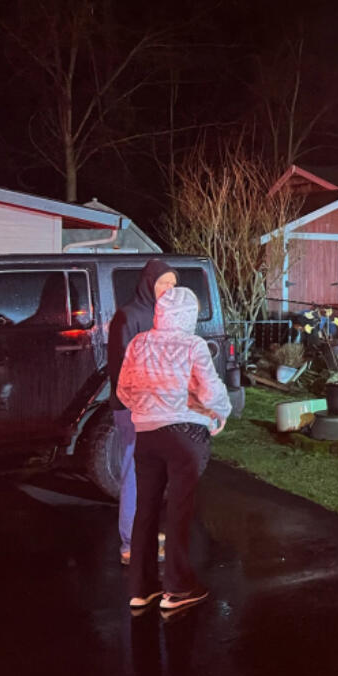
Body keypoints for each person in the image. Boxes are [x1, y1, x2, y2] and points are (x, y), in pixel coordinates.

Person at [118, 286, 231, 616]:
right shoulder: (193, 345)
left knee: (146, 510)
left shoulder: (139, 343)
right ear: (189, 316)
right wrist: (218, 412)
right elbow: (210, 393)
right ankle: (178, 589)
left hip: (147, 435)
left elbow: (124, 391)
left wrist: (150, 408)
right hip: (184, 436)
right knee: (179, 512)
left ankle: (141, 589)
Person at [107, 258, 177, 566]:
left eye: (174, 285)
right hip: (135, 408)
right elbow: (120, 368)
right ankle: (130, 544)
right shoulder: (128, 316)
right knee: (135, 474)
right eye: (164, 284)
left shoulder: (165, 316)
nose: (169, 290)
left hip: (161, 407)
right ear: (149, 284)